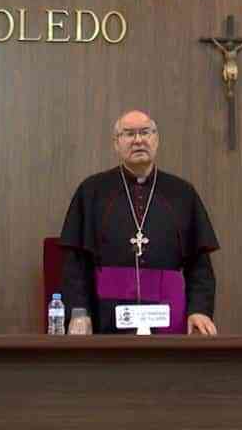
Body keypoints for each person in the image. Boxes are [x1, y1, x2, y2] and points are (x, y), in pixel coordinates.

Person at [60, 110, 220, 335]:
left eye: (145, 132)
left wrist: (199, 310)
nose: (138, 140)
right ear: (116, 143)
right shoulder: (92, 191)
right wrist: (79, 313)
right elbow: (75, 265)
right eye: (129, 134)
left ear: (156, 139)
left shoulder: (182, 193)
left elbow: (199, 266)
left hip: (169, 318)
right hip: (106, 319)